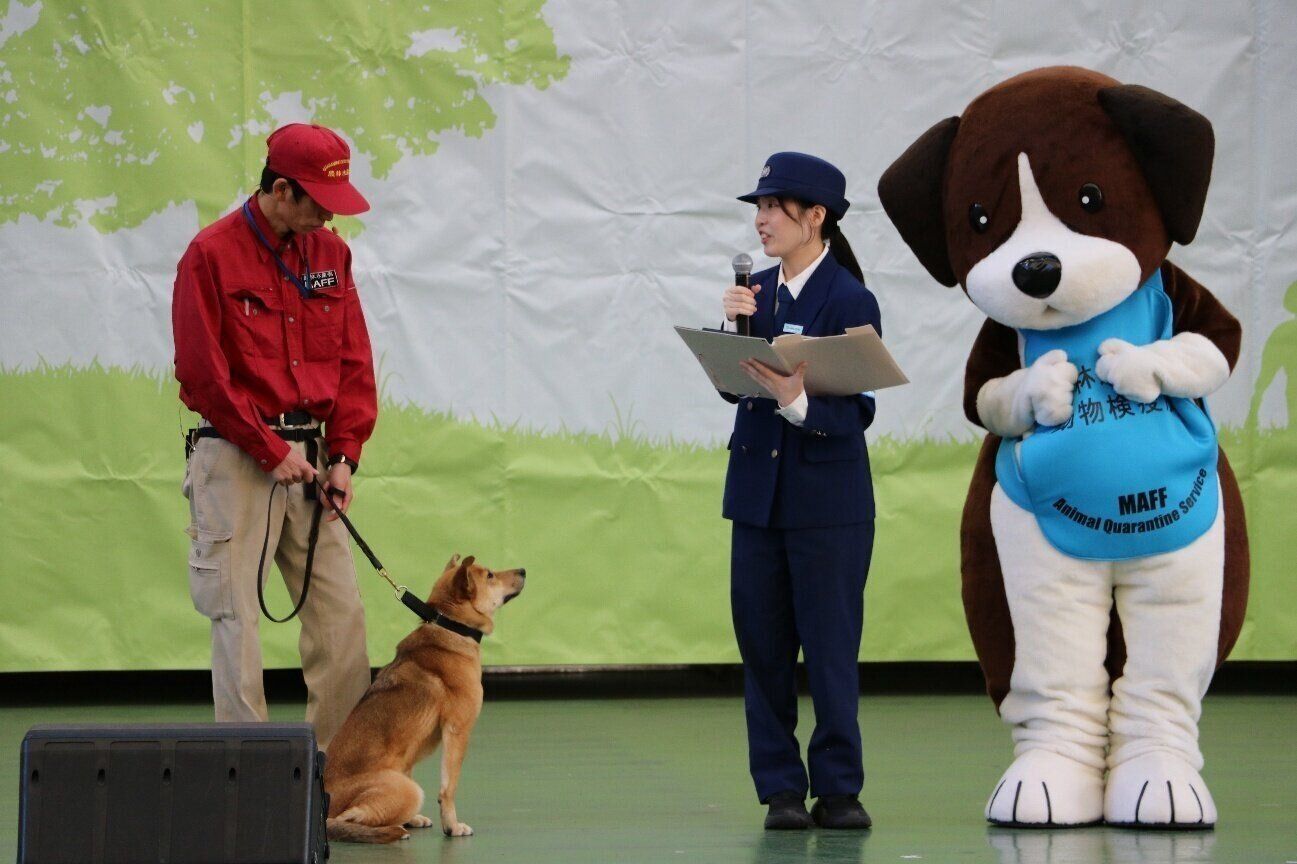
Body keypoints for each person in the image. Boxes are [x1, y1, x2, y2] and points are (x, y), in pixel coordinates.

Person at [172, 123, 378, 750]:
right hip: (236, 453)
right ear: (280, 189)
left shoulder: (332, 256)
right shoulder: (209, 254)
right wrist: (269, 448)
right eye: (317, 201)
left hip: (312, 460)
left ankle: (336, 782)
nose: (326, 217)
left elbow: (353, 364)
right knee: (237, 619)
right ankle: (249, 781)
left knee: (341, 620)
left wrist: (343, 456)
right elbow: (203, 375)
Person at [720, 152, 881, 830]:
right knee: (762, 649)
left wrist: (797, 400)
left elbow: (858, 409)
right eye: (756, 208)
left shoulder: (848, 298)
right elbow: (734, 384)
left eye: (772, 208)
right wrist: (729, 332)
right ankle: (780, 789)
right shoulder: (753, 289)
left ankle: (838, 788)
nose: (759, 221)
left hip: (829, 506)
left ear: (815, 217)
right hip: (757, 498)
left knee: (830, 647)